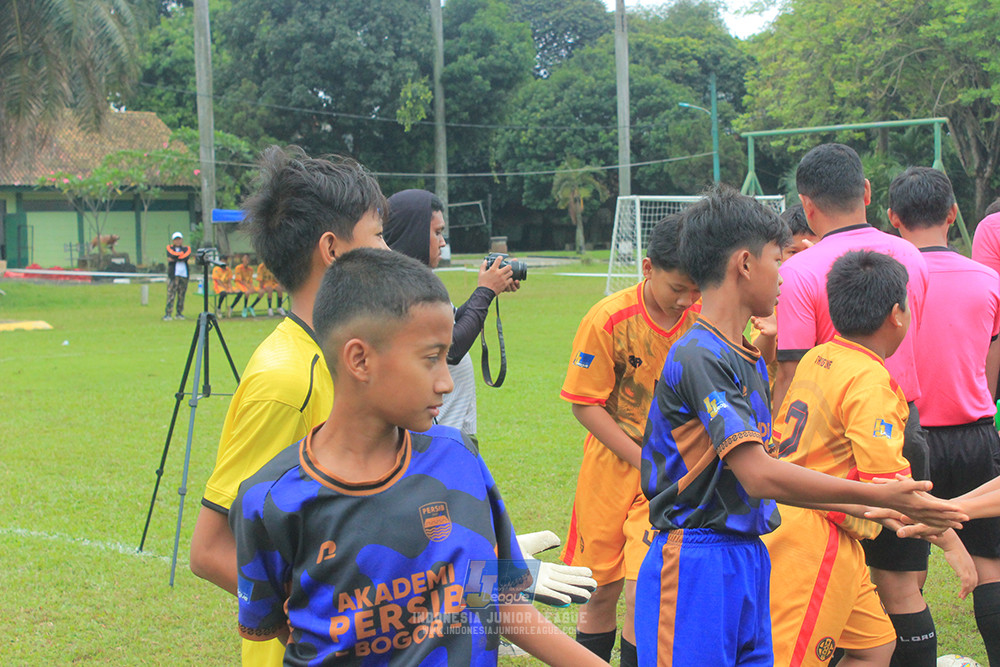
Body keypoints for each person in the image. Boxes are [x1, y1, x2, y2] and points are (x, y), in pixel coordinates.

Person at [635, 184, 965, 667]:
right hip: (698, 561)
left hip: (748, 552)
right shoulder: (700, 354)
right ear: (744, 264)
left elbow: (769, 475)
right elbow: (758, 475)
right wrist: (878, 496)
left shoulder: (744, 355)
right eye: (778, 258)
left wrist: (876, 507)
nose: (785, 274)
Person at [229, 247, 608, 666]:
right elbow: (283, 627)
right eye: (431, 359)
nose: (446, 382)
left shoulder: (459, 457)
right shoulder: (269, 499)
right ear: (359, 359)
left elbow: (500, 599)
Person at [189, 145, 390, 667]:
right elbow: (210, 550)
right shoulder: (286, 380)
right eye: (377, 236)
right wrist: (323, 626)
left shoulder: (341, 358)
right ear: (332, 249)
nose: (389, 251)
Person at [765, 249, 974, 667]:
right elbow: (893, 489)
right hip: (817, 536)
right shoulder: (871, 382)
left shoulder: (818, 355)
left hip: (799, 518)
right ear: (897, 315)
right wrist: (953, 544)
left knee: (874, 647)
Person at [772, 144, 937, 665]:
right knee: (900, 589)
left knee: (852, 609)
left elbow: (789, 372)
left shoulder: (800, 271)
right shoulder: (910, 257)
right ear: (866, 192)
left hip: (826, 450)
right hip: (898, 430)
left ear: (806, 205)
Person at [558, 214, 699, 665]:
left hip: (668, 479)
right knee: (598, 591)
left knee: (646, 590)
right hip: (610, 471)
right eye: (677, 288)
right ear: (647, 268)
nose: (686, 300)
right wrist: (642, 459)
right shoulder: (608, 319)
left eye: (695, 289)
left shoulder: (703, 320)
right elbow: (585, 405)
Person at [887, 167, 1000, 666]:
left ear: (892, 218)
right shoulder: (989, 279)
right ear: (953, 214)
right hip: (974, 434)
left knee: (905, 576)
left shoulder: (889, 280)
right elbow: (991, 363)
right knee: (991, 564)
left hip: (907, 437)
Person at [383, 189, 516, 438]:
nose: (443, 243)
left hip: (448, 433)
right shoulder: (397, 289)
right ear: (414, 233)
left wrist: (489, 289)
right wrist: (485, 292)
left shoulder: (418, 282)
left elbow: (452, 323)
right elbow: (450, 349)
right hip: (433, 440)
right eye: (437, 232)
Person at [750, 203, 817, 394]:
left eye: (810, 250)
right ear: (778, 255)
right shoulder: (771, 298)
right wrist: (769, 335)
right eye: (793, 252)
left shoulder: (832, 295)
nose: (801, 260)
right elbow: (757, 358)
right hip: (777, 403)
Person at [164, 231, 191, 321]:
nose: (178, 241)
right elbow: (171, 254)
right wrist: (179, 257)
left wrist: (174, 259)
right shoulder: (169, 248)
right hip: (173, 275)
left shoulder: (186, 248)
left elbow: (186, 256)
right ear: (173, 241)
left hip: (184, 275)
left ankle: (179, 313)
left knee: (181, 294)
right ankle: (168, 313)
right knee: (171, 294)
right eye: (176, 239)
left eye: (179, 239)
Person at [233, 253, 261, 318]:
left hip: (248, 284)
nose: (247, 261)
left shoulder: (251, 269)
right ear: (242, 259)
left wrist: (251, 287)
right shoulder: (238, 268)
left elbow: (250, 281)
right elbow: (240, 280)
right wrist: (248, 287)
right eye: (245, 259)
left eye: (248, 259)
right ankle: (245, 308)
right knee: (247, 292)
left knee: (261, 292)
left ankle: (251, 306)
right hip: (240, 284)